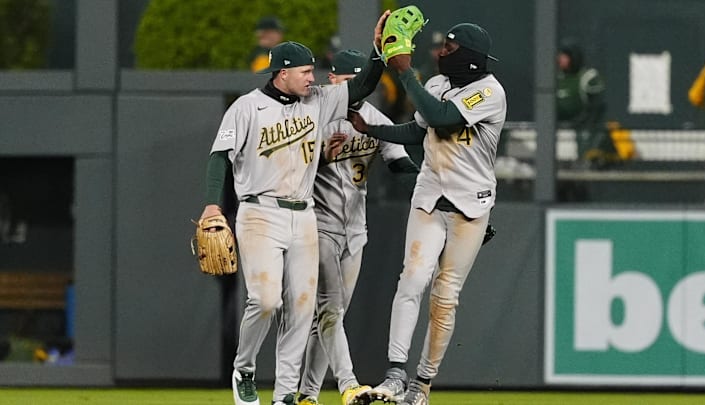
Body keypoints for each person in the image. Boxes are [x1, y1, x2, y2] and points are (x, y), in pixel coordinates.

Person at [198, 10, 392, 405]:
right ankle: (246, 367)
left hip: (304, 215)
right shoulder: (247, 107)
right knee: (267, 301)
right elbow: (220, 157)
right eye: (305, 71)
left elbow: (364, 86)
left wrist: (378, 48)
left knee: (303, 310)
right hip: (259, 212)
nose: (312, 77)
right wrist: (211, 206)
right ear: (281, 73)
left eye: (312, 70)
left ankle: (286, 394)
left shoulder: (318, 101)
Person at [348, 23, 506, 405]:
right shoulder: (435, 84)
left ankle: (422, 385)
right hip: (431, 194)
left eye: (450, 48)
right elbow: (419, 131)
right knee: (412, 280)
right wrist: (373, 129)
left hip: (470, 205)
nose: (441, 53)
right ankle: (395, 375)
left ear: (469, 55)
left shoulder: (490, 91)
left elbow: (442, 118)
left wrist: (404, 71)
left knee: (445, 297)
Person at [296, 49, 420, 405]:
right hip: (318, 224)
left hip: (355, 229)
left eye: (358, 80)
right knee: (331, 309)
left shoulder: (372, 117)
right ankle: (348, 385)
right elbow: (289, 173)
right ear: (332, 80)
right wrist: (322, 156)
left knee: (329, 317)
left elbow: (399, 164)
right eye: (347, 80)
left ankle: (306, 395)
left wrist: (431, 189)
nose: (354, 87)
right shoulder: (315, 116)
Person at [556, 38, 612, 168]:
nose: (561, 59)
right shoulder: (555, 79)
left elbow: (597, 108)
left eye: (565, 56)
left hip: (583, 134)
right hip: (560, 136)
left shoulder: (588, 78)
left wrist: (582, 124)